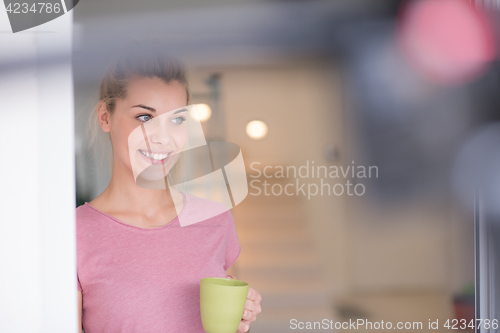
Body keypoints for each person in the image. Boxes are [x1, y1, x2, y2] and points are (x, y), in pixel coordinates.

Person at [76, 40, 262, 333]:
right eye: (145, 117)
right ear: (105, 117)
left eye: (177, 119)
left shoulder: (215, 220)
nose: (164, 138)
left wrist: (241, 321)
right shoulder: (73, 234)